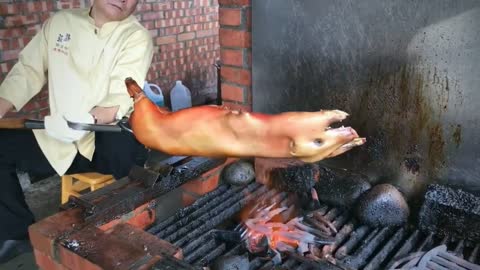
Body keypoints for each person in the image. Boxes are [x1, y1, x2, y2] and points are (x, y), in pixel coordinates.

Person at [0, 0, 153, 263]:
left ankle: (125, 242)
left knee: (129, 178)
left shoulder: (136, 36)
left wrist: (83, 120)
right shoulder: (61, 23)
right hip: (60, 141)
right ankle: (14, 233)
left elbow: (121, 92)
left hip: (110, 138)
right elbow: (28, 71)